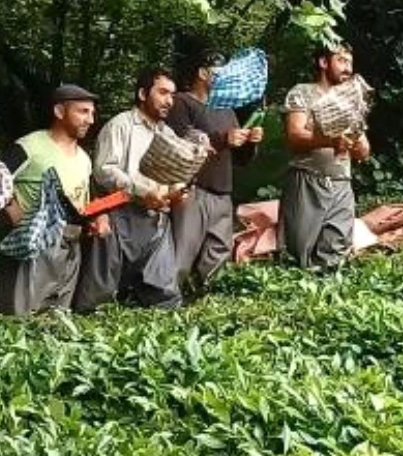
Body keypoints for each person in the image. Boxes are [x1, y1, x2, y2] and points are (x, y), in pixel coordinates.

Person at [0, 84, 108, 315]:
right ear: (59, 111)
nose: (90, 120)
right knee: (16, 315)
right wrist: (11, 209)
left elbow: (83, 199)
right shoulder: (30, 146)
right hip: (31, 243)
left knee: (56, 318)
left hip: (70, 245)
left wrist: (97, 216)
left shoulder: (84, 158)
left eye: (92, 113)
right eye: (83, 111)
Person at [72, 68, 184, 311]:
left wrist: (178, 190)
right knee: (101, 289)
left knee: (164, 291)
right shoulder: (120, 125)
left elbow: (176, 176)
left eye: (172, 95)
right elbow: (104, 169)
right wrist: (141, 190)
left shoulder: (168, 133)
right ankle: (89, 328)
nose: (169, 101)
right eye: (163, 92)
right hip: (117, 211)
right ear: (143, 93)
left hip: (156, 216)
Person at [168, 50, 263, 292]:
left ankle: (203, 303)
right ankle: (166, 302)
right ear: (202, 73)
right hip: (193, 189)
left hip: (222, 191)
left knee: (218, 253)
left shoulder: (228, 110)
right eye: (221, 71)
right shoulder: (182, 102)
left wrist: (250, 141)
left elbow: (240, 159)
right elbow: (179, 144)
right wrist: (222, 139)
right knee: (181, 252)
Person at [277, 44, 371, 269]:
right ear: (323, 63)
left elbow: (364, 151)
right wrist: (332, 140)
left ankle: (328, 295)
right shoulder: (303, 92)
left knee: (335, 249)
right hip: (307, 179)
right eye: (341, 61)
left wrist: (355, 140)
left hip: (341, 182)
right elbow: (294, 135)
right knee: (299, 250)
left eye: (350, 62)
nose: (348, 68)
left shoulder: (352, 101)